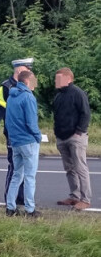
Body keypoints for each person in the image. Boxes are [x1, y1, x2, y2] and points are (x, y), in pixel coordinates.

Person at [0, 58, 34, 205]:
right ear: (19, 70)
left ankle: (21, 198)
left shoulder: (26, 85)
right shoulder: (6, 87)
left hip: (26, 134)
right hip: (12, 133)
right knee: (15, 166)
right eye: (28, 69)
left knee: (25, 166)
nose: (30, 72)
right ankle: (10, 199)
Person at [53, 67, 92, 210]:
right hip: (61, 137)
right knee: (69, 168)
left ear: (68, 78)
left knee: (81, 168)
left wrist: (79, 131)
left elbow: (86, 114)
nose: (56, 81)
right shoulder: (58, 96)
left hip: (76, 136)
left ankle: (85, 199)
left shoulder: (77, 93)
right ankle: (74, 196)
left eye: (59, 78)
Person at [5, 70, 42, 217]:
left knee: (16, 175)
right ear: (27, 81)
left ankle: (10, 207)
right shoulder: (28, 97)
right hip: (28, 141)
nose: (35, 83)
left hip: (15, 141)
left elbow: (8, 121)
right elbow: (31, 121)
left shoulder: (11, 96)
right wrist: (38, 136)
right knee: (30, 176)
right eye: (33, 80)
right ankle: (30, 209)